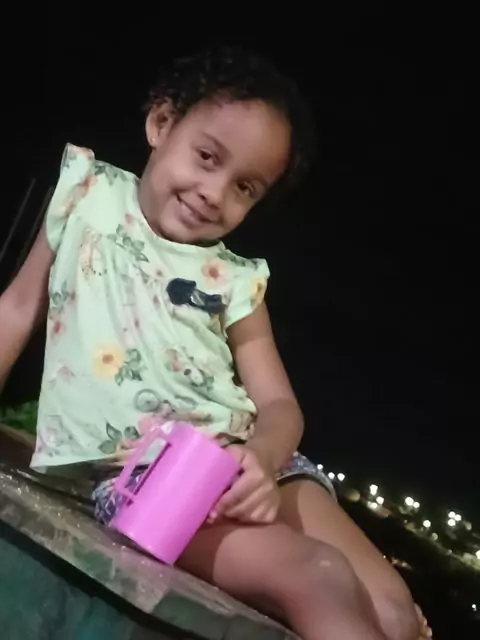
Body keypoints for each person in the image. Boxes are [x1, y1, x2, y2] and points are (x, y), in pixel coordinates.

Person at [0, 46, 431, 640]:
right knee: (319, 574)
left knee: (396, 612)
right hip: (151, 480)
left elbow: (279, 406)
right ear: (161, 123)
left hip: (260, 466)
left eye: (245, 187)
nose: (214, 191)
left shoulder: (235, 280)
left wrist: (264, 460)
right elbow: (15, 310)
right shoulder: (86, 195)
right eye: (207, 157)